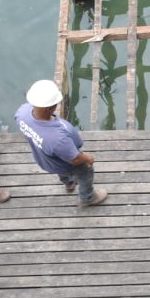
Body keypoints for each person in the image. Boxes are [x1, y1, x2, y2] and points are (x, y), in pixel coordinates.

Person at [14, 79, 108, 207]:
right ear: (49, 108)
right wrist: (88, 158)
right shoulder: (58, 137)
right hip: (67, 163)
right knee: (86, 174)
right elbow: (75, 158)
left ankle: (69, 183)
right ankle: (88, 197)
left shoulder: (22, 113)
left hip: (46, 161)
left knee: (61, 170)